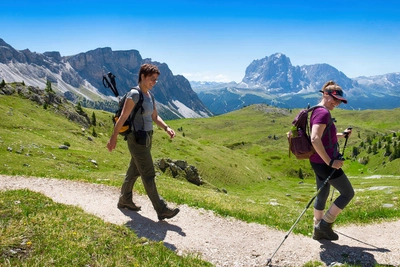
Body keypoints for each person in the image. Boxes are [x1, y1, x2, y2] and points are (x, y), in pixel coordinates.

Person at [107, 63, 180, 221]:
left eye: (156, 80)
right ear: (142, 76)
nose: (154, 82)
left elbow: (154, 117)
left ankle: (124, 199)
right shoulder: (134, 94)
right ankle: (161, 209)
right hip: (136, 139)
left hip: (147, 138)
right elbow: (123, 118)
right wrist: (113, 137)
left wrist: (167, 128)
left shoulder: (150, 96)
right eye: (151, 79)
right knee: (148, 173)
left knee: (134, 170)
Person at [310, 80, 354, 240]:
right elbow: (314, 138)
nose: (336, 103)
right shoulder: (323, 113)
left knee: (322, 194)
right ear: (326, 94)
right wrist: (330, 162)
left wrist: (341, 135)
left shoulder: (317, 110)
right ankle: (324, 225)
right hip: (325, 163)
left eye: (339, 101)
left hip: (317, 161)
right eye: (334, 99)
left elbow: (322, 136)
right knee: (348, 193)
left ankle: (317, 229)